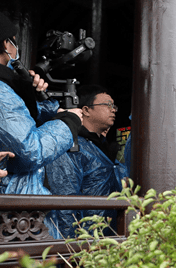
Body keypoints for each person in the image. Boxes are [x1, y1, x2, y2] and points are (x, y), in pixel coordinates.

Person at [0, 3, 83, 239]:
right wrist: (68, 123)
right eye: (13, 40)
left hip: (8, 220)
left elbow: (13, 126)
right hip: (12, 224)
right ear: (6, 44)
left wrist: (29, 96)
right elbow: (28, 150)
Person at [45, 85, 126, 237]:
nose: (113, 110)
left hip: (109, 233)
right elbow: (65, 198)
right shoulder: (71, 143)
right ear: (86, 110)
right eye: (107, 105)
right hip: (84, 238)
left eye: (114, 106)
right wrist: (71, 246)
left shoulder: (101, 146)